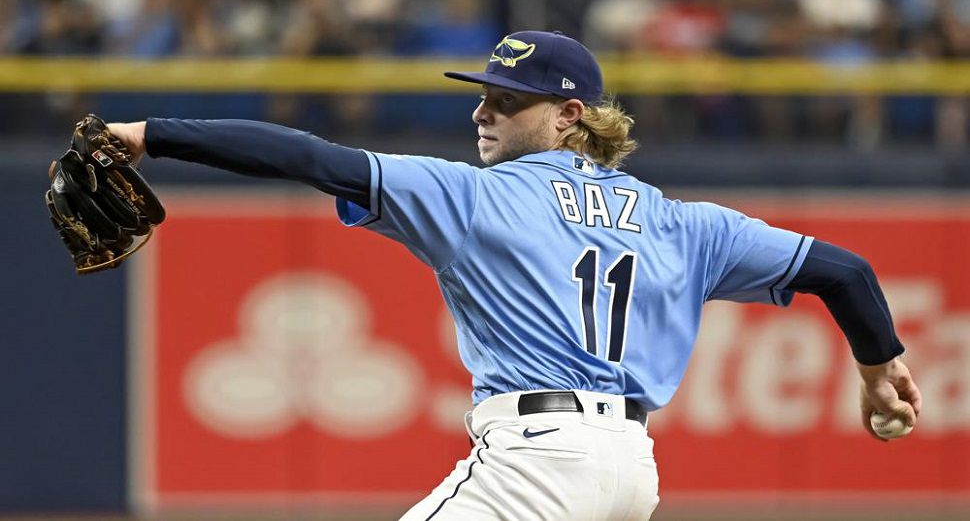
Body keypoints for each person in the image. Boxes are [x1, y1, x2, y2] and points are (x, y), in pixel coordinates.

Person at [106, 30, 921, 520]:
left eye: (507, 100)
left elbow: (310, 158)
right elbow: (844, 271)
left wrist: (152, 132)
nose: (481, 112)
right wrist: (880, 366)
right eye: (485, 95)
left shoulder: (473, 197)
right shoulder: (683, 223)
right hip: (630, 476)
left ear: (571, 117)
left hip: (539, 458)